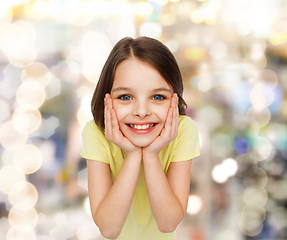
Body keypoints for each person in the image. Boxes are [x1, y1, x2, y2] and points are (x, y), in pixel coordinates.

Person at [81, 36, 200, 240]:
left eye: (158, 97)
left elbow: (168, 223)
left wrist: (151, 156)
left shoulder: (183, 130)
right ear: (107, 98)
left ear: (175, 99)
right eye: (125, 97)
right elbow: (109, 229)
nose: (142, 111)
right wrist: (133, 155)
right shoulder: (95, 132)